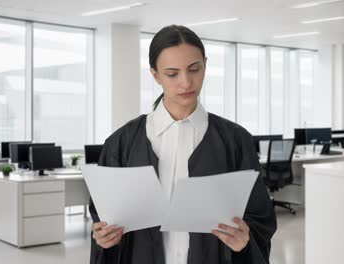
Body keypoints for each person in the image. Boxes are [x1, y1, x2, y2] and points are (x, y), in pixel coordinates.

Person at [89, 25, 277, 264]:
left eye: (194, 69)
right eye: (172, 73)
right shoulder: (120, 144)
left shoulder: (236, 141)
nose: (186, 82)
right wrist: (105, 239)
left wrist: (245, 241)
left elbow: (260, 217)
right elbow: (103, 220)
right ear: (155, 75)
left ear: (205, 65)